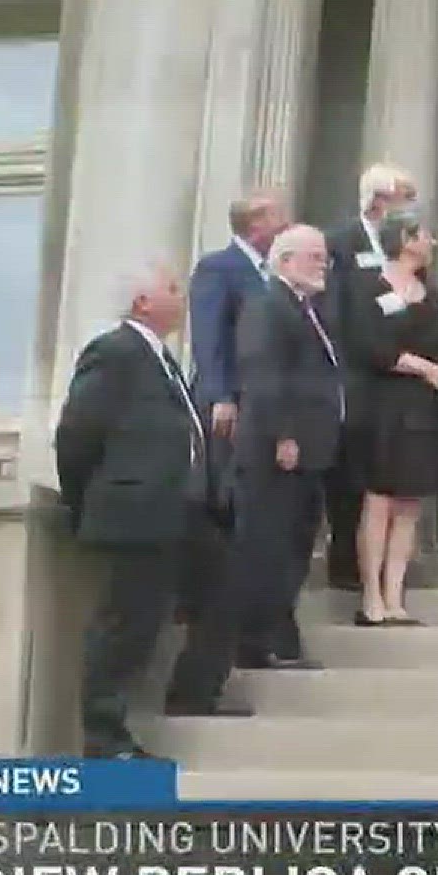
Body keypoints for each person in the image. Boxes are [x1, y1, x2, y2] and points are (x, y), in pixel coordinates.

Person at [56, 264, 217, 757]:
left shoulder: (162, 358)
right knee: (125, 625)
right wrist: (86, 499)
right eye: (171, 288)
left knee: (174, 609)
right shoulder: (115, 352)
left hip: (175, 512)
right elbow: (77, 433)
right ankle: (104, 737)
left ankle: (192, 691)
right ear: (142, 302)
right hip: (134, 512)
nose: (181, 297)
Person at [182, 189, 287, 675]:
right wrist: (222, 395)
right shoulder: (219, 268)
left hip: (265, 414)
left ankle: (259, 633)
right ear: (255, 224)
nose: (285, 222)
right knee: (231, 513)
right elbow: (208, 334)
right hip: (230, 410)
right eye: (277, 215)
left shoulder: (273, 274)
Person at [228, 224, 342, 672]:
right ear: (285, 261)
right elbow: (264, 376)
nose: (323, 265)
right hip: (276, 452)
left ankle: (277, 637)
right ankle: (258, 640)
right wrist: (283, 435)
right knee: (267, 546)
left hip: (309, 451)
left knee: (293, 545)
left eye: (324, 257)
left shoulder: (305, 309)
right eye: (314, 257)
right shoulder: (267, 306)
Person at [350, 211, 438, 624]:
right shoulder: (369, 287)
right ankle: (371, 596)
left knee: (410, 504)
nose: (431, 242)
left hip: (423, 406)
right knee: (380, 500)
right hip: (383, 405)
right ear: (405, 239)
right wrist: (424, 368)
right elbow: (370, 347)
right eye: (425, 235)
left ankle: (395, 596)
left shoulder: (429, 295)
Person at [322, 163, 417, 590]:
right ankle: (344, 560)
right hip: (354, 370)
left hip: (395, 372)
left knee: (383, 469)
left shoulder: (403, 245)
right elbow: (335, 307)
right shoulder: (342, 241)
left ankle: (381, 566)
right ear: (379, 199)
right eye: (403, 197)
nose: (409, 208)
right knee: (350, 469)